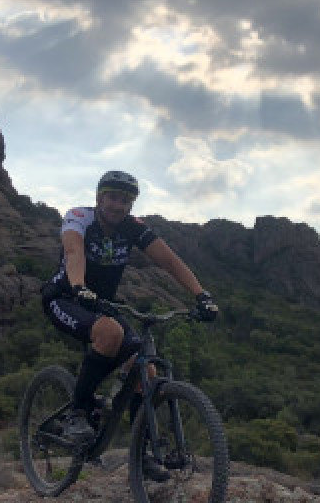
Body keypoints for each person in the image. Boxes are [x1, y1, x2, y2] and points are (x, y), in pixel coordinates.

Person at [42, 170, 218, 479]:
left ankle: (144, 454)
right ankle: (78, 411)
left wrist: (201, 295)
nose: (118, 205)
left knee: (145, 370)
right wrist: (80, 286)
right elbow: (74, 251)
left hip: (101, 304)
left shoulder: (132, 228)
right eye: (113, 197)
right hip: (65, 297)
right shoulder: (79, 217)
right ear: (100, 198)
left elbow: (170, 261)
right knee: (111, 333)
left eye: (125, 200)